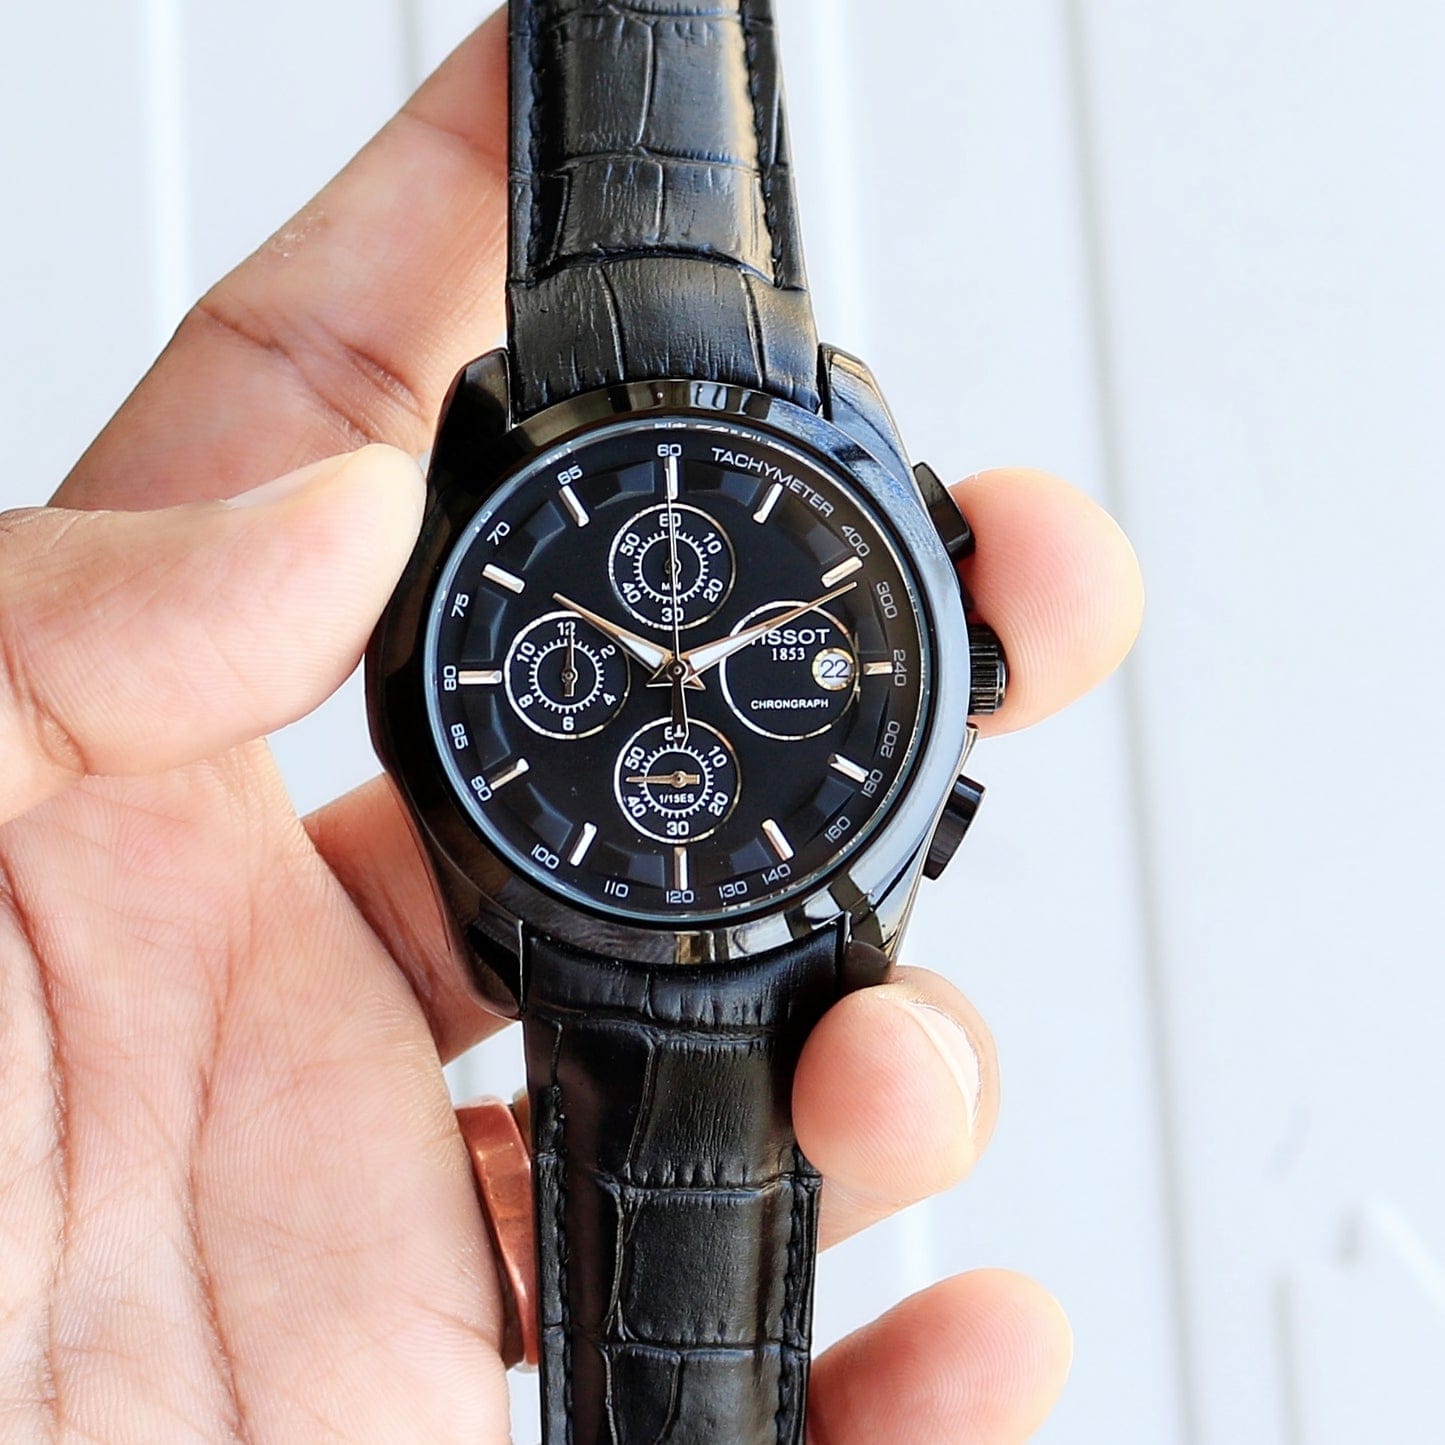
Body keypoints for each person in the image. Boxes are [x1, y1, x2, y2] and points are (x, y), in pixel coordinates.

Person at [0, 14, 1143, 1443]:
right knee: (891, 1100)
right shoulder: (736, 433)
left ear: (943, 681)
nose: (678, 668)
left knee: (889, 1096)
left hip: (667, 916)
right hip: (602, 909)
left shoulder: (675, 433)